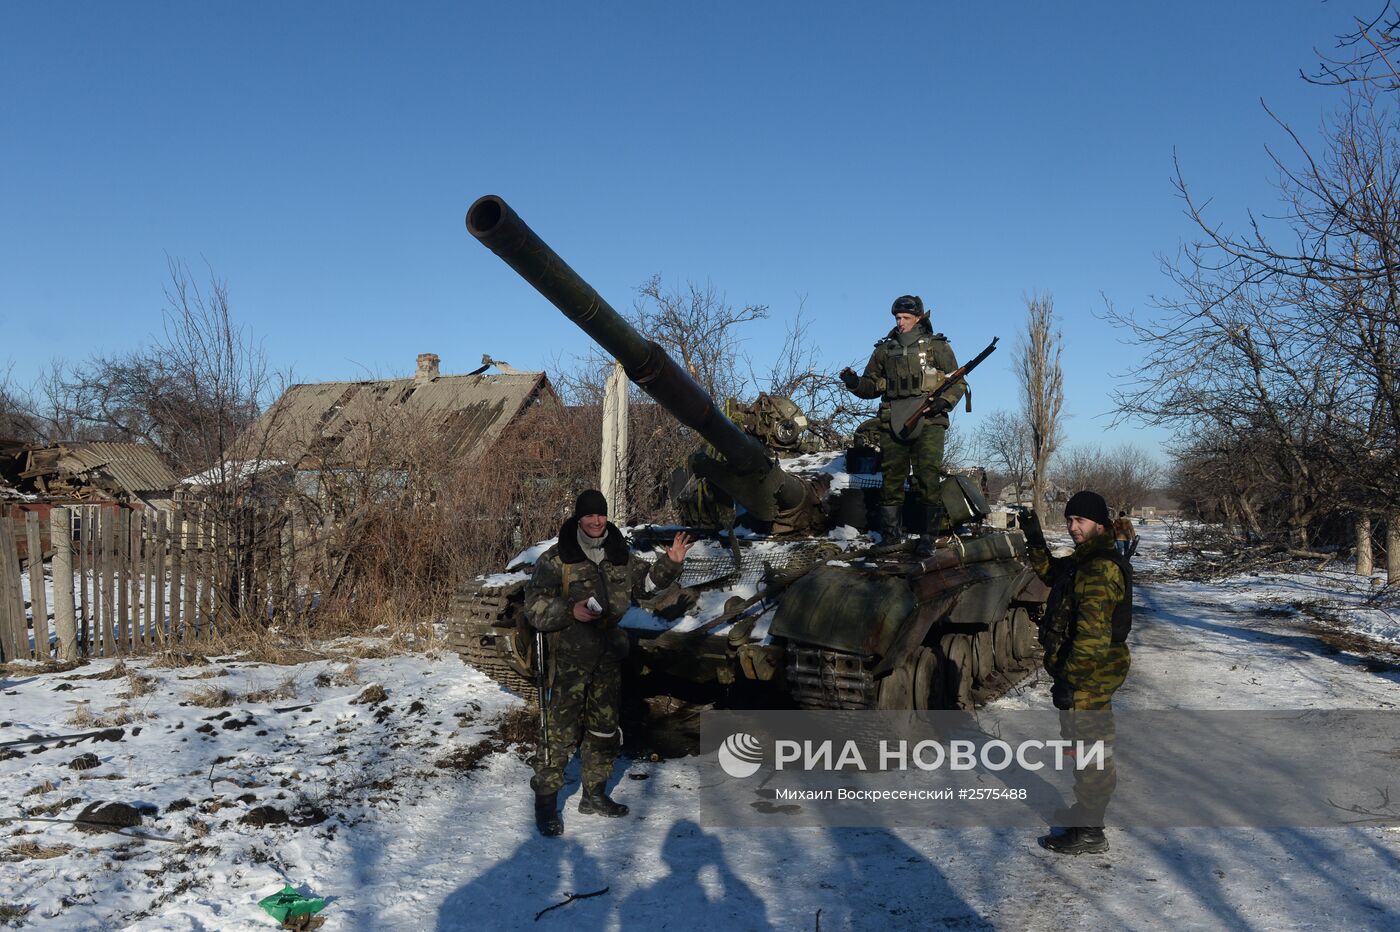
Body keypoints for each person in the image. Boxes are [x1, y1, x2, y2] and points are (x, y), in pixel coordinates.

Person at [524, 489, 694, 837]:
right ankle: (545, 803)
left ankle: (594, 794)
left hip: (607, 657)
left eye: (600, 515)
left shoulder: (619, 553)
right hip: (570, 657)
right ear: (579, 518)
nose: (596, 521)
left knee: (604, 729)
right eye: (589, 516)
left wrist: (671, 564)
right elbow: (534, 607)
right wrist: (568, 610)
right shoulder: (557, 559)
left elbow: (645, 587)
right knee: (559, 732)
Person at [1020, 490, 1132, 855]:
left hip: (1089, 678)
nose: (1072, 527)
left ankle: (1090, 831)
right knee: (1080, 749)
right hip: (1083, 676)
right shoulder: (1083, 560)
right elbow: (1054, 574)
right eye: (1069, 520)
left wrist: (1071, 679)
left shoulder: (1100, 567)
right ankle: (1085, 812)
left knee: (1091, 753)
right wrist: (1035, 540)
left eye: (1080, 521)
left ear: (1099, 524)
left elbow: (1092, 637)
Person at [839, 295, 963, 554]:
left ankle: (928, 537)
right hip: (893, 419)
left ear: (919, 317)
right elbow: (870, 386)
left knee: (927, 476)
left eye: (906, 317)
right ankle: (891, 536)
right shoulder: (884, 350)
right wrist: (853, 382)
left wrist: (945, 402)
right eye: (897, 318)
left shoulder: (936, 347)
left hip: (929, 419)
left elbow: (957, 382)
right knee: (891, 479)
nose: (901, 322)